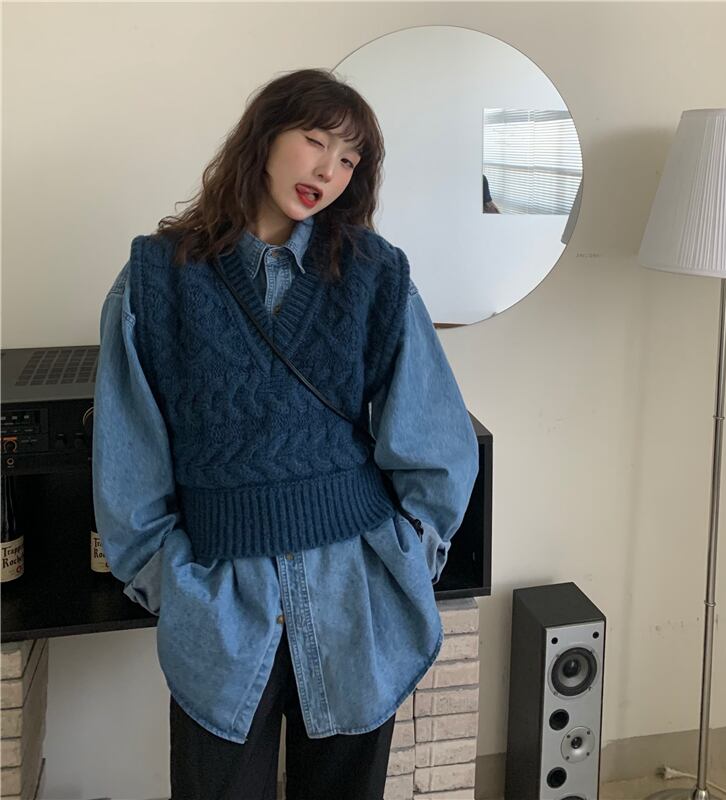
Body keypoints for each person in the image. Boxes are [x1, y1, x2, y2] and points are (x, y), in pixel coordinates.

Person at [92, 68, 479, 800]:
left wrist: (409, 554)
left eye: (350, 159)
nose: (329, 170)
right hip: (220, 599)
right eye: (316, 141)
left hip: (355, 593)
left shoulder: (375, 274)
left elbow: (435, 436)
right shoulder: (156, 279)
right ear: (264, 135)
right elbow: (129, 456)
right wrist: (171, 584)